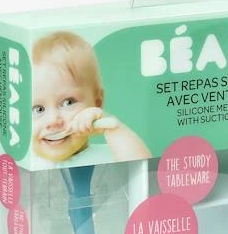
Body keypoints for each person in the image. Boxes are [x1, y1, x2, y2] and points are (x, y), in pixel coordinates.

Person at [32, 31, 151, 163]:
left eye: (68, 102)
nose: (53, 120)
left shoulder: (113, 155)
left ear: (97, 103)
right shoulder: (23, 164)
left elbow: (142, 166)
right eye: (38, 109)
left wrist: (112, 128)